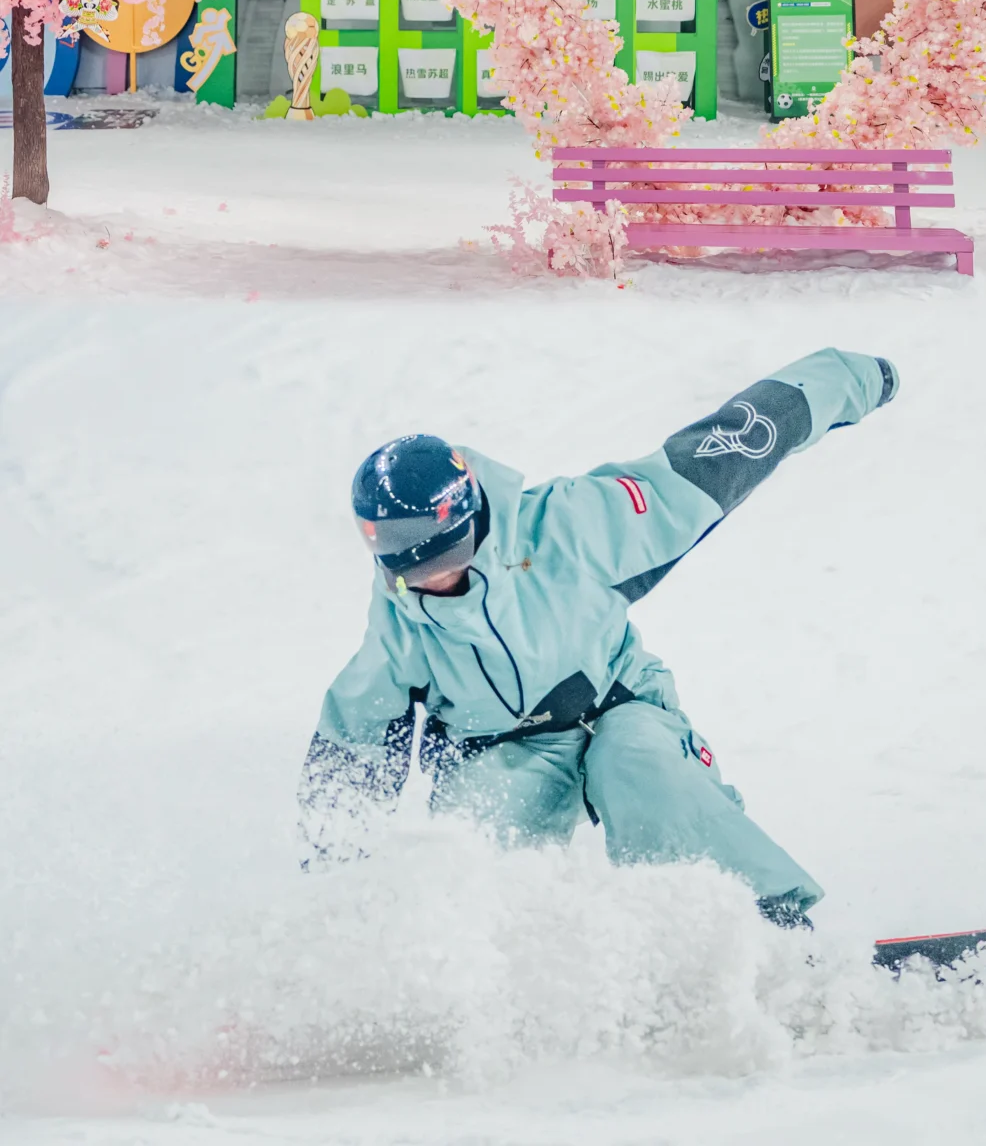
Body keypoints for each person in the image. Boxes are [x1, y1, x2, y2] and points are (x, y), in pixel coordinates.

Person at [298, 348, 898, 926]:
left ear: (472, 517)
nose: (437, 584)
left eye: (447, 559)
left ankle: (756, 926)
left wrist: (850, 376)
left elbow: (721, 453)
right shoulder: (401, 618)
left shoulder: (570, 527)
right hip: (499, 752)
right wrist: (333, 896)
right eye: (414, 573)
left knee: (642, 771)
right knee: (474, 851)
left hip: (616, 707)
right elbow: (356, 739)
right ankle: (513, 976)